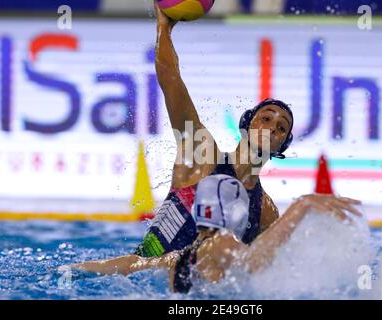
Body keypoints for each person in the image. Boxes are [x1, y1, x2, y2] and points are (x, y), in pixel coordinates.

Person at [134, 1, 362, 258]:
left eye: (281, 128)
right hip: (140, 275)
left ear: (282, 147)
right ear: (246, 125)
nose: (272, 128)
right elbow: (170, 78)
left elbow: (257, 270)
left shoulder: (265, 211)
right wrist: (164, 28)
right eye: (265, 118)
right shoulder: (202, 154)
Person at [66, 174, 361, 293]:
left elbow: (125, 265)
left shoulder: (176, 258)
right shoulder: (223, 244)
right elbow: (253, 265)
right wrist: (301, 206)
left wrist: (69, 270)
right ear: (240, 216)